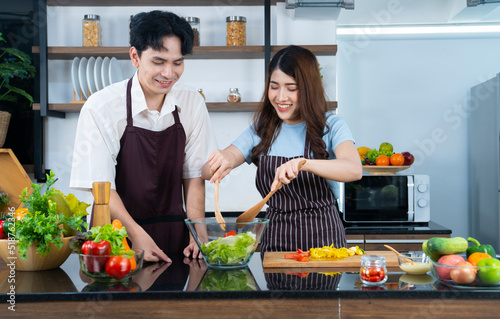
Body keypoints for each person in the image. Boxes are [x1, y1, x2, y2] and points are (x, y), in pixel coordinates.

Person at [70, 11, 217, 262]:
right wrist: (136, 235)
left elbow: (193, 175)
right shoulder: (102, 107)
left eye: (178, 63)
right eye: (159, 62)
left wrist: (197, 232)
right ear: (135, 56)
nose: (169, 73)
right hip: (116, 239)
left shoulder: (192, 102)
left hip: (175, 236)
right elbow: (101, 189)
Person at [202, 45, 362, 252]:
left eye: (291, 88)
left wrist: (303, 163)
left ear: (308, 89)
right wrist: (222, 159)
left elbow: (353, 169)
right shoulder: (262, 130)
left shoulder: (331, 126)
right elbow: (208, 171)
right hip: (276, 238)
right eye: (274, 86)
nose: (281, 97)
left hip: (324, 239)